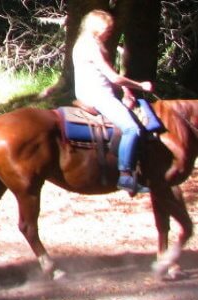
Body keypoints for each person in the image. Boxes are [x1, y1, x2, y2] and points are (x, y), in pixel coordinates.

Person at [72, 10, 154, 195]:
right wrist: (141, 85)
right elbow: (113, 77)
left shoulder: (91, 43)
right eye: (107, 28)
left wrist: (126, 90)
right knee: (132, 128)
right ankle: (125, 175)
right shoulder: (90, 45)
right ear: (97, 27)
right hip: (97, 95)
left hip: (100, 91)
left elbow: (109, 75)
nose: (109, 31)